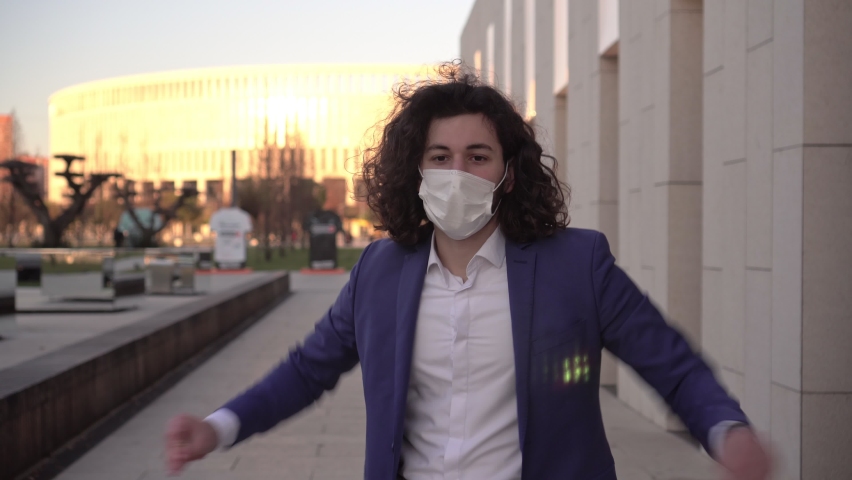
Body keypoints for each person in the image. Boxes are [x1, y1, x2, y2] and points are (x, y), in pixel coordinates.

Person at [165, 64, 771, 479]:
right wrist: (218, 428)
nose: (458, 172)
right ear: (418, 170)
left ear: (508, 172)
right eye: (440, 157)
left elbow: (666, 359)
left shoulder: (577, 263)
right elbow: (307, 369)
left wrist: (724, 430)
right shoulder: (379, 270)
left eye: (477, 157)